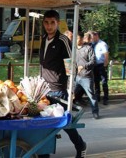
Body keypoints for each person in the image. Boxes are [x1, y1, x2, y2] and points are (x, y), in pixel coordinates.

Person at [39, 10, 87, 158]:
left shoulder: (62, 40)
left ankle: (80, 145)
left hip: (58, 90)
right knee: (44, 124)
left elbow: (70, 66)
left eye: (52, 22)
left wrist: (70, 88)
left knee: (66, 123)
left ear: (57, 23)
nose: (49, 26)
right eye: (46, 22)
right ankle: (43, 153)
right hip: (44, 89)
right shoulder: (43, 39)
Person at [74, 32, 99, 119]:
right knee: (72, 94)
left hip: (87, 77)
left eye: (77, 38)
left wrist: (84, 66)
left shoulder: (88, 48)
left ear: (81, 39)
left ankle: (95, 112)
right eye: (75, 38)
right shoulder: (74, 49)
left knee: (91, 96)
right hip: (76, 76)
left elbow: (93, 61)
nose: (76, 40)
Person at [91, 31, 109, 105]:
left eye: (92, 36)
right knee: (96, 82)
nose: (91, 38)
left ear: (96, 35)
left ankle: (105, 98)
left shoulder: (102, 44)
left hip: (101, 65)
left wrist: (105, 65)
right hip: (94, 66)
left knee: (104, 81)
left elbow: (106, 55)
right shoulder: (92, 44)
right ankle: (97, 96)